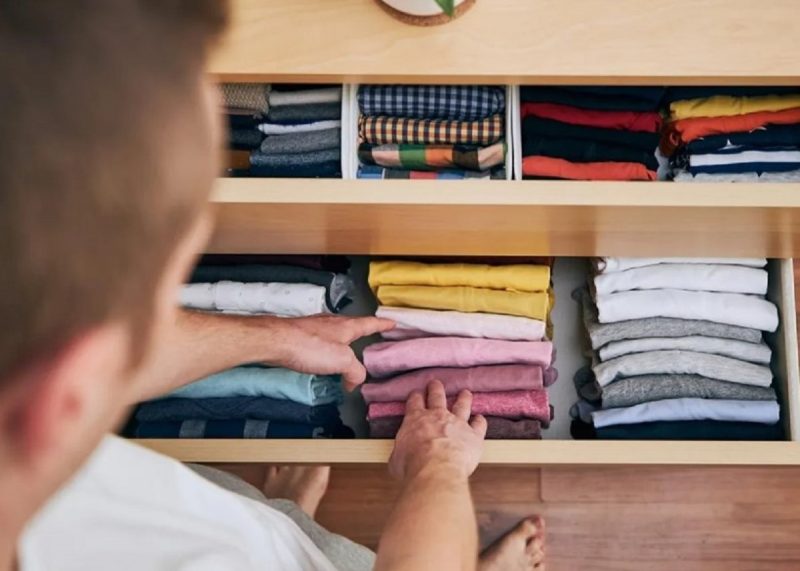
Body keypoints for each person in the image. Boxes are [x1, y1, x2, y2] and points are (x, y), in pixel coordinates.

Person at [0, 2, 545, 570]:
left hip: (234, 526)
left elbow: (90, 348)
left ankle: (286, 515)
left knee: (271, 524)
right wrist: (438, 467)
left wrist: (274, 336)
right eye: (158, 293)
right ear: (62, 397)